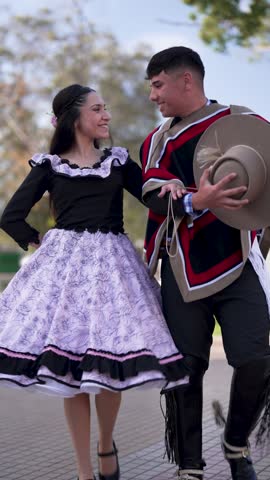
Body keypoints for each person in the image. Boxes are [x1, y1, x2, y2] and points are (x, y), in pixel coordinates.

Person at [0, 84, 189, 480]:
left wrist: (172, 189)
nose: (106, 116)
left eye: (106, 109)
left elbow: (151, 199)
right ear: (74, 117)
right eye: (98, 109)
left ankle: (106, 445)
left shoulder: (117, 162)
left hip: (113, 273)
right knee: (70, 376)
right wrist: (41, 243)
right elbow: (10, 217)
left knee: (110, 365)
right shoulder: (49, 166)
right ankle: (85, 471)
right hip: (65, 276)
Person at [140, 46, 270, 480]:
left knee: (255, 359)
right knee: (185, 370)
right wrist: (198, 200)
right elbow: (153, 193)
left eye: (158, 85)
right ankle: (190, 467)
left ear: (186, 81)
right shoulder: (156, 141)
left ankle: (236, 445)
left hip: (237, 260)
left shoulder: (243, 121)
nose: (154, 96)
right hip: (183, 271)